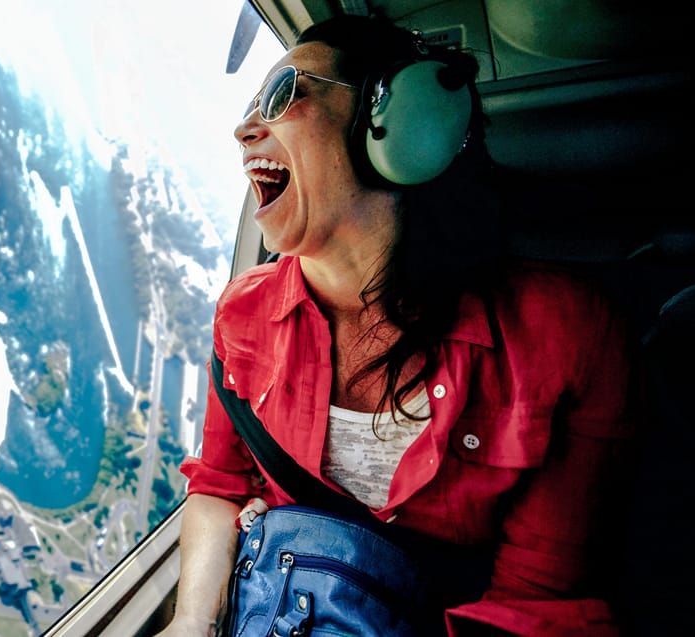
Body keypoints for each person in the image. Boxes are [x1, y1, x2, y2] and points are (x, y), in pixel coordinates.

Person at [155, 13, 638, 637]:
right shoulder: (240, 313)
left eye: (280, 96)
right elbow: (221, 484)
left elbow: (535, 599)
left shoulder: (569, 337)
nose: (244, 130)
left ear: (401, 124)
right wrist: (192, 621)